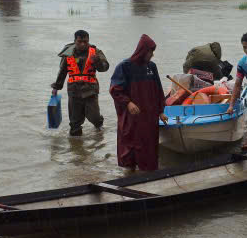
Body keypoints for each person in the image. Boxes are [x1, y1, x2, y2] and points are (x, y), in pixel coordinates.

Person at [109, 34, 166, 172]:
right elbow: (115, 90)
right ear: (142, 50)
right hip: (132, 117)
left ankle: (148, 176)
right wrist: (128, 103)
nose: (152, 55)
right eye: (150, 51)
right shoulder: (124, 67)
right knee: (130, 146)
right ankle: (129, 175)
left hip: (149, 117)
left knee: (149, 147)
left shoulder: (152, 67)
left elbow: (158, 90)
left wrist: (161, 111)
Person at [52, 29, 109, 137]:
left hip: (90, 91)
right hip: (74, 92)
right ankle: (76, 150)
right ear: (75, 41)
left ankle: (99, 129)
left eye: (85, 42)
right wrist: (56, 87)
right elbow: (62, 71)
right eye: (80, 42)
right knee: (74, 124)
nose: (83, 44)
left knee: (95, 118)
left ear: (88, 41)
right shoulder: (68, 53)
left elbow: (104, 68)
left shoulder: (96, 52)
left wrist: (97, 61)